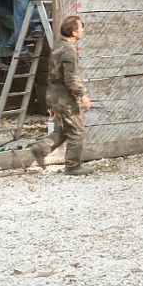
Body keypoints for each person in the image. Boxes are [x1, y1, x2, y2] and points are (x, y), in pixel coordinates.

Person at [31, 15, 93, 175]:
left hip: (53, 94)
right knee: (77, 132)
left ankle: (41, 149)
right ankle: (73, 167)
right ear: (73, 32)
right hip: (64, 97)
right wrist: (83, 95)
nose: (82, 30)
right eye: (80, 28)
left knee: (64, 129)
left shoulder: (58, 46)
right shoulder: (69, 50)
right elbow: (70, 78)